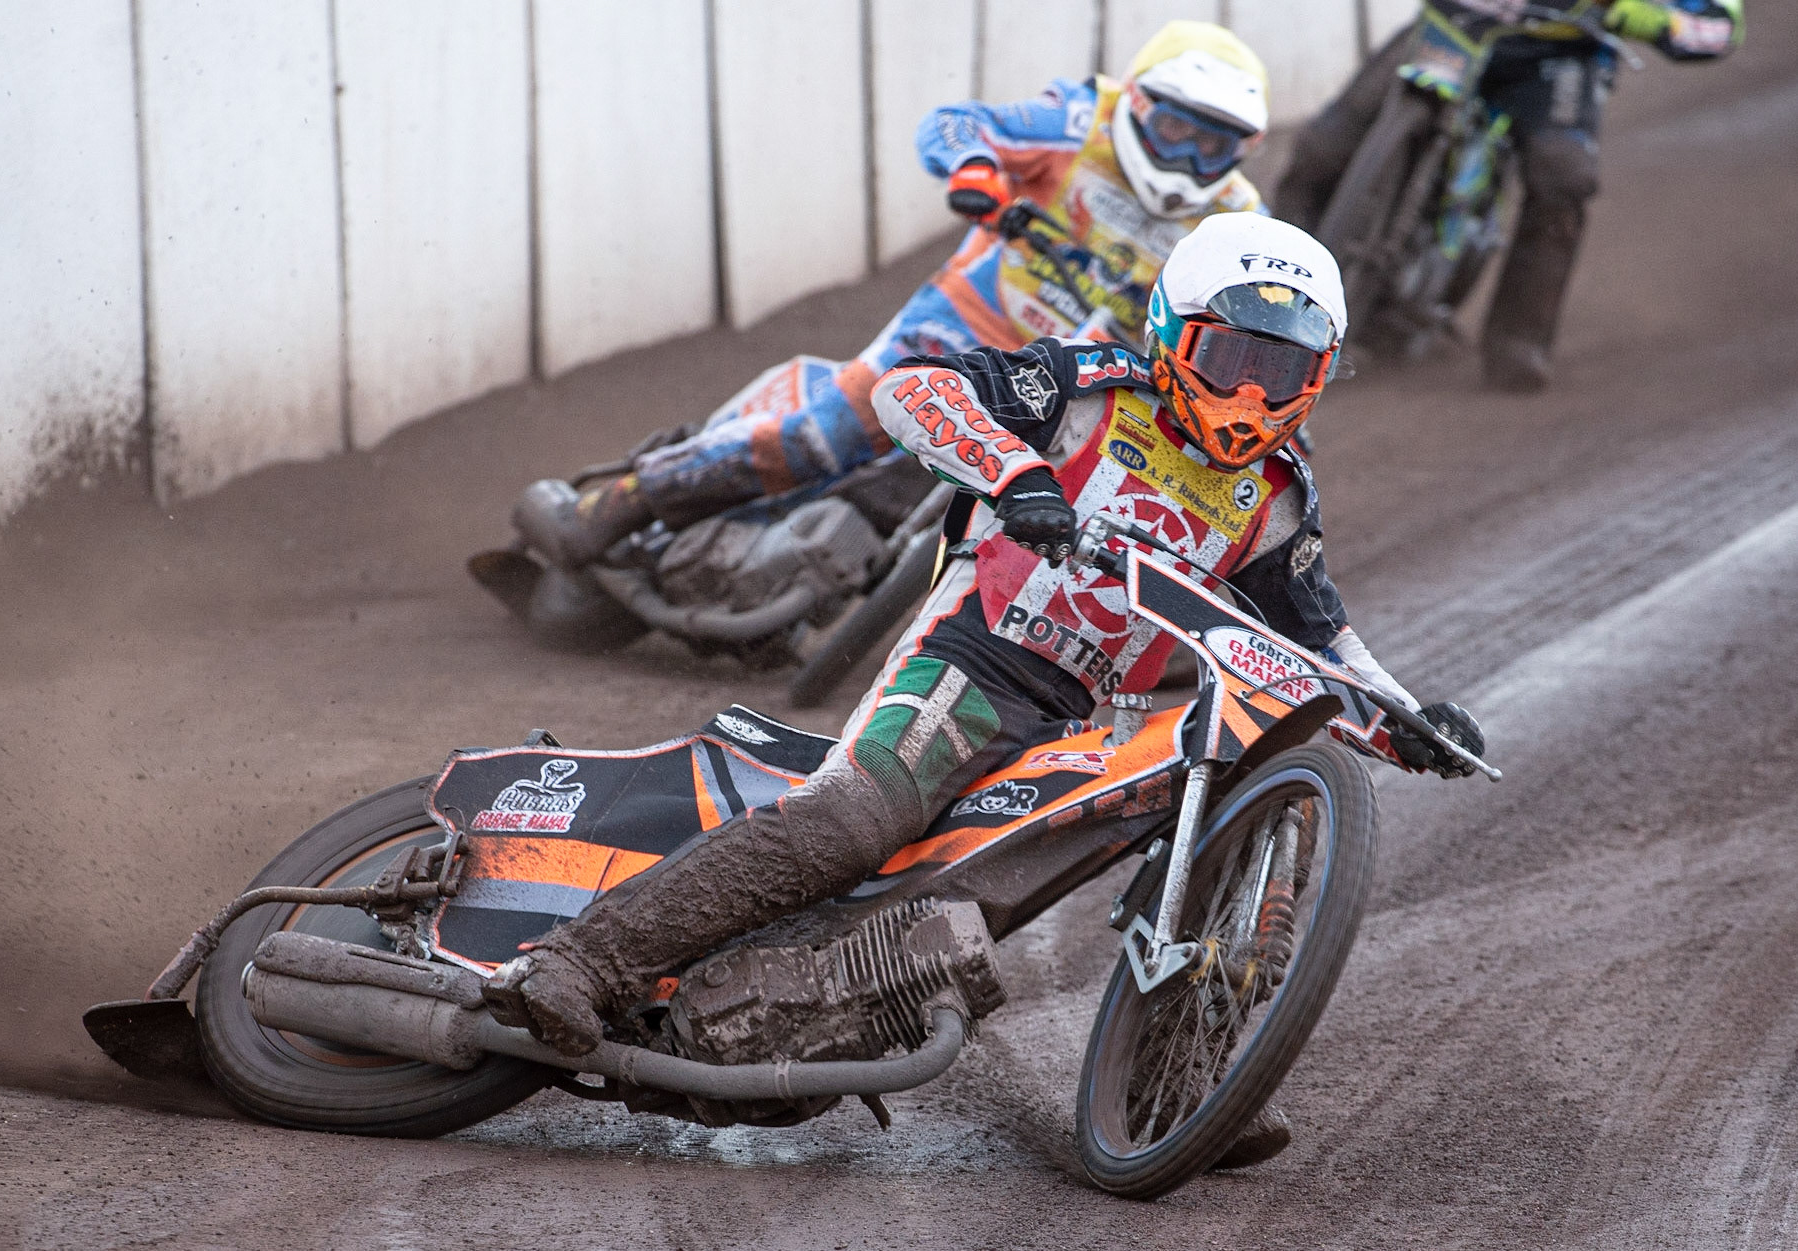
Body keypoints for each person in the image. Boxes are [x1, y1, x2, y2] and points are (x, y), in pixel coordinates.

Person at [483, 212, 1485, 1167]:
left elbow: (1319, 642)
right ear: (1173, 332)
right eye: (1231, 359)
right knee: (852, 824)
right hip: (971, 662)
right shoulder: (1089, 387)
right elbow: (912, 390)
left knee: (1152, 820)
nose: (1253, 394)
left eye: (1285, 371)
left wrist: (1409, 720)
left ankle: (1184, 1080)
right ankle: (578, 961)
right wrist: (1016, 476)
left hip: (1085, 720)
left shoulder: (1277, 498)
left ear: (1319, 375)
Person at [494, 20, 1277, 579]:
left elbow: (1261, 318)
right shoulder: (1079, 120)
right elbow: (958, 122)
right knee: (825, 435)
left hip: (1074, 380)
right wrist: (975, 172)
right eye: (1175, 128)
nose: (1187, 158)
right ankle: (615, 507)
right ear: (1135, 101)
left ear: (1243, 151)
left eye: (1213, 144)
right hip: (963, 325)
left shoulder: (1242, 220)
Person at [1274, 0, 1742, 392]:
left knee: (1563, 174)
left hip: (1558, 52)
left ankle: (1520, 340)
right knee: (1322, 148)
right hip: (1455, 25)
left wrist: (1643, 16)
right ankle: (1267, 296)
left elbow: (1720, 25)